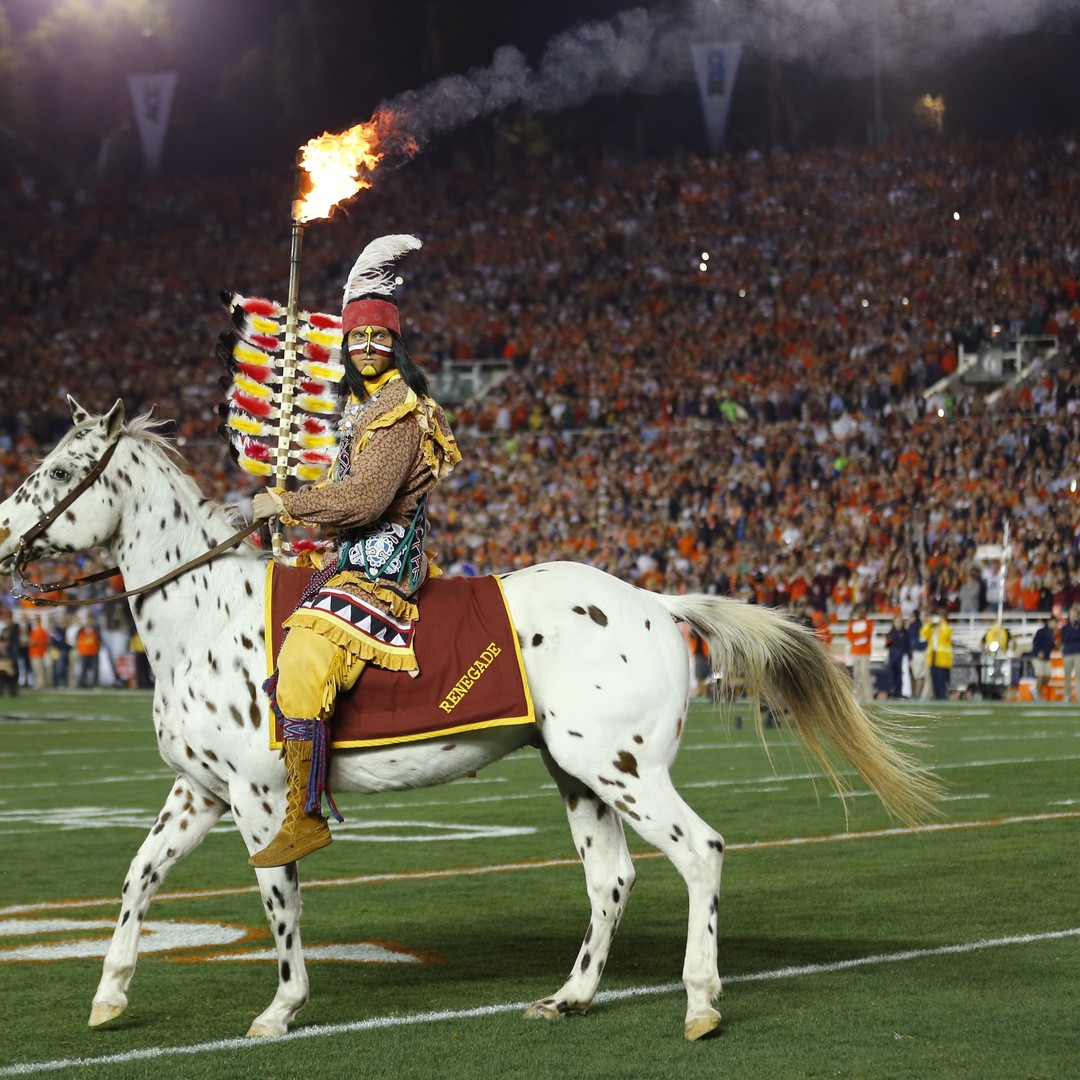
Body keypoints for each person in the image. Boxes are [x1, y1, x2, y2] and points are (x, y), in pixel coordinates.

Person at [248, 235, 461, 868]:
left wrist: (287, 505)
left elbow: (367, 501)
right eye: (358, 340)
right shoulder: (365, 408)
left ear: (395, 345)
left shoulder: (399, 412)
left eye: (379, 340)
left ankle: (304, 814)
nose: (368, 349)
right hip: (354, 552)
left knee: (306, 655)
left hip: (384, 560)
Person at [922, 608, 953, 701]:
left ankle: (942, 698)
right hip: (933, 659)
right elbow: (923, 634)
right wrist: (929, 623)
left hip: (942, 660)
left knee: (941, 681)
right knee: (934, 680)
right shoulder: (932, 629)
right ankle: (937, 698)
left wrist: (942, 622)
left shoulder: (946, 627)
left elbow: (946, 635)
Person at [846, 604, 874, 700]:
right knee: (857, 675)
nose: (861, 612)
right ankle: (859, 696)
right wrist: (859, 635)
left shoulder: (868, 622)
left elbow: (867, 633)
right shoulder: (853, 623)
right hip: (855, 651)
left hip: (864, 652)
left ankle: (868, 696)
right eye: (859, 610)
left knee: (864, 674)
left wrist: (857, 635)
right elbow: (849, 636)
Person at [1029, 615, 1058, 701]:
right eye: (1055, 622)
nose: (1056, 625)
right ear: (1050, 622)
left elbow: (1051, 645)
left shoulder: (1053, 634)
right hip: (1038, 657)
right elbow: (1035, 642)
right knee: (1040, 676)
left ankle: (1035, 689)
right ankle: (1038, 695)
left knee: (1047, 677)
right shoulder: (1041, 631)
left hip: (1046, 657)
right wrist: (1039, 651)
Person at [884, 614, 910, 697]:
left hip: (902, 657)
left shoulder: (905, 633)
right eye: (896, 622)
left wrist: (910, 657)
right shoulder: (891, 633)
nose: (898, 624)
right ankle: (893, 692)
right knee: (893, 675)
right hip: (893, 657)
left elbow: (908, 646)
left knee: (901, 675)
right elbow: (887, 645)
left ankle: (901, 692)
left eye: (899, 622)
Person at [907, 609, 930, 700]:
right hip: (917, 653)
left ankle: (923, 695)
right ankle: (917, 694)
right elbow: (910, 643)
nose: (923, 618)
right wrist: (910, 656)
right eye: (921, 615)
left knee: (926, 675)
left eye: (925, 615)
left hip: (927, 652)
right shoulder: (914, 627)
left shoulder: (929, 626)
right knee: (917, 675)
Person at [1059, 604, 1080, 703]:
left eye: (1075, 614)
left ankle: (1078, 696)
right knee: (1067, 677)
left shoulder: (1078, 626)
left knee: (1078, 676)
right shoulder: (1065, 627)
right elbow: (1065, 638)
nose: (1073, 616)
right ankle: (1067, 696)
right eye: (1071, 614)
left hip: (1077, 653)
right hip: (1067, 654)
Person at [76, 619, 101, 687]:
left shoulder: (95, 630)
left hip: (93, 652)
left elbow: (99, 640)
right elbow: (77, 640)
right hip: (84, 652)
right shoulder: (81, 631)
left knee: (95, 669)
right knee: (83, 669)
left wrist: (98, 649)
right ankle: (82, 683)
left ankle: (95, 683)